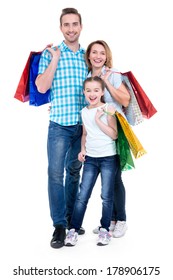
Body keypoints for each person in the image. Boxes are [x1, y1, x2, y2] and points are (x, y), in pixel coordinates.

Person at [35, 8, 88, 249]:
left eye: (74, 24)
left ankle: (70, 220)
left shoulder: (88, 56)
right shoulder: (51, 53)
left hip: (82, 126)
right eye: (66, 25)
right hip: (59, 124)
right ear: (61, 28)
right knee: (55, 174)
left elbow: (95, 88)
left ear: (81, 26)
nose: (70, 29)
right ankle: (58, 226)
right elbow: (43, 87)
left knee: (74, 172)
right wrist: (55, 59)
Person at [64, 76, 119, 246]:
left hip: (108, 158)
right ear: (84, 93)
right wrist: (82, 150)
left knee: (106, 196)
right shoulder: (83, 111)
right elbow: (85, 135)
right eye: (88, 90)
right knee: (82, 196)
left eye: (96, 90)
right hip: (91, 159)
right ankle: (73, 230)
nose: (92, 93)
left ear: (102, 92)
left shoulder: (108, 108)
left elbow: (114, 134)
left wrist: (98, 120)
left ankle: (104, 230)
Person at [85, 40, 130, 238]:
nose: (98, 56)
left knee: (115, 178)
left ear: (106, 56)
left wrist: (107, 82)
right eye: (94, 52)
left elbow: (125, 100)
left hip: (114, 131)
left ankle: (121, 220)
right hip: (96, 132)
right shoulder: (87, 77)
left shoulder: (113, 74)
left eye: (102, 53)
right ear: (89, 56)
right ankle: (110, 220)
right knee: (107, 179)